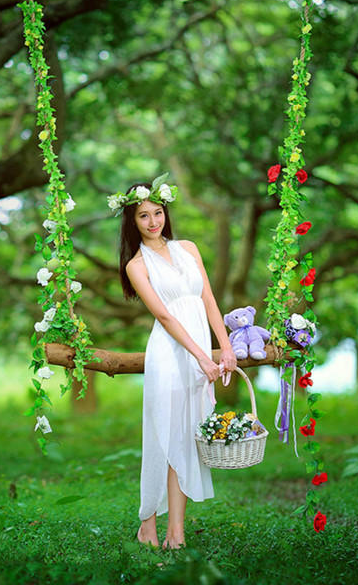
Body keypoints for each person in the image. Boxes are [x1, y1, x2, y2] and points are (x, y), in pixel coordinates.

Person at [109, 177, 237, 550]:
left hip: (199, 352)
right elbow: (164, 317)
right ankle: (148, 523)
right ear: (132, 222)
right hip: (170, 354)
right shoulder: (136, 265)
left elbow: (209, 300)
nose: (153, 222)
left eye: (158, 213)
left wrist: (225, 348)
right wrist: (202, 356)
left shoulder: (188, 248)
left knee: (186, 438)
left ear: (166, 212)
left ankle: (175, 534)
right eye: (143, 216)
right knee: (165, 438)